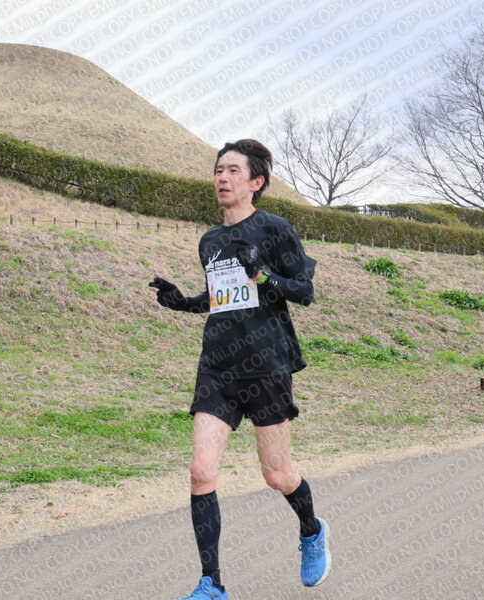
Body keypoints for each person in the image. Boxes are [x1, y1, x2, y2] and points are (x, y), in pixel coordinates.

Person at [149, 139, 328, 599]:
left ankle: (311, 530)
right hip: (218, 368)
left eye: (232, 170)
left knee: (277, 476)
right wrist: (183, 303)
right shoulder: (210, 240)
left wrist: (262, 273)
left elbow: (304, 291)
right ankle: (212, 584)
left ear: (256, 182)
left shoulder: (274, 229)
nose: (222, 178)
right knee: (201, 471)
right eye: (218, 170)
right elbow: (221, 298)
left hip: (267, 366)